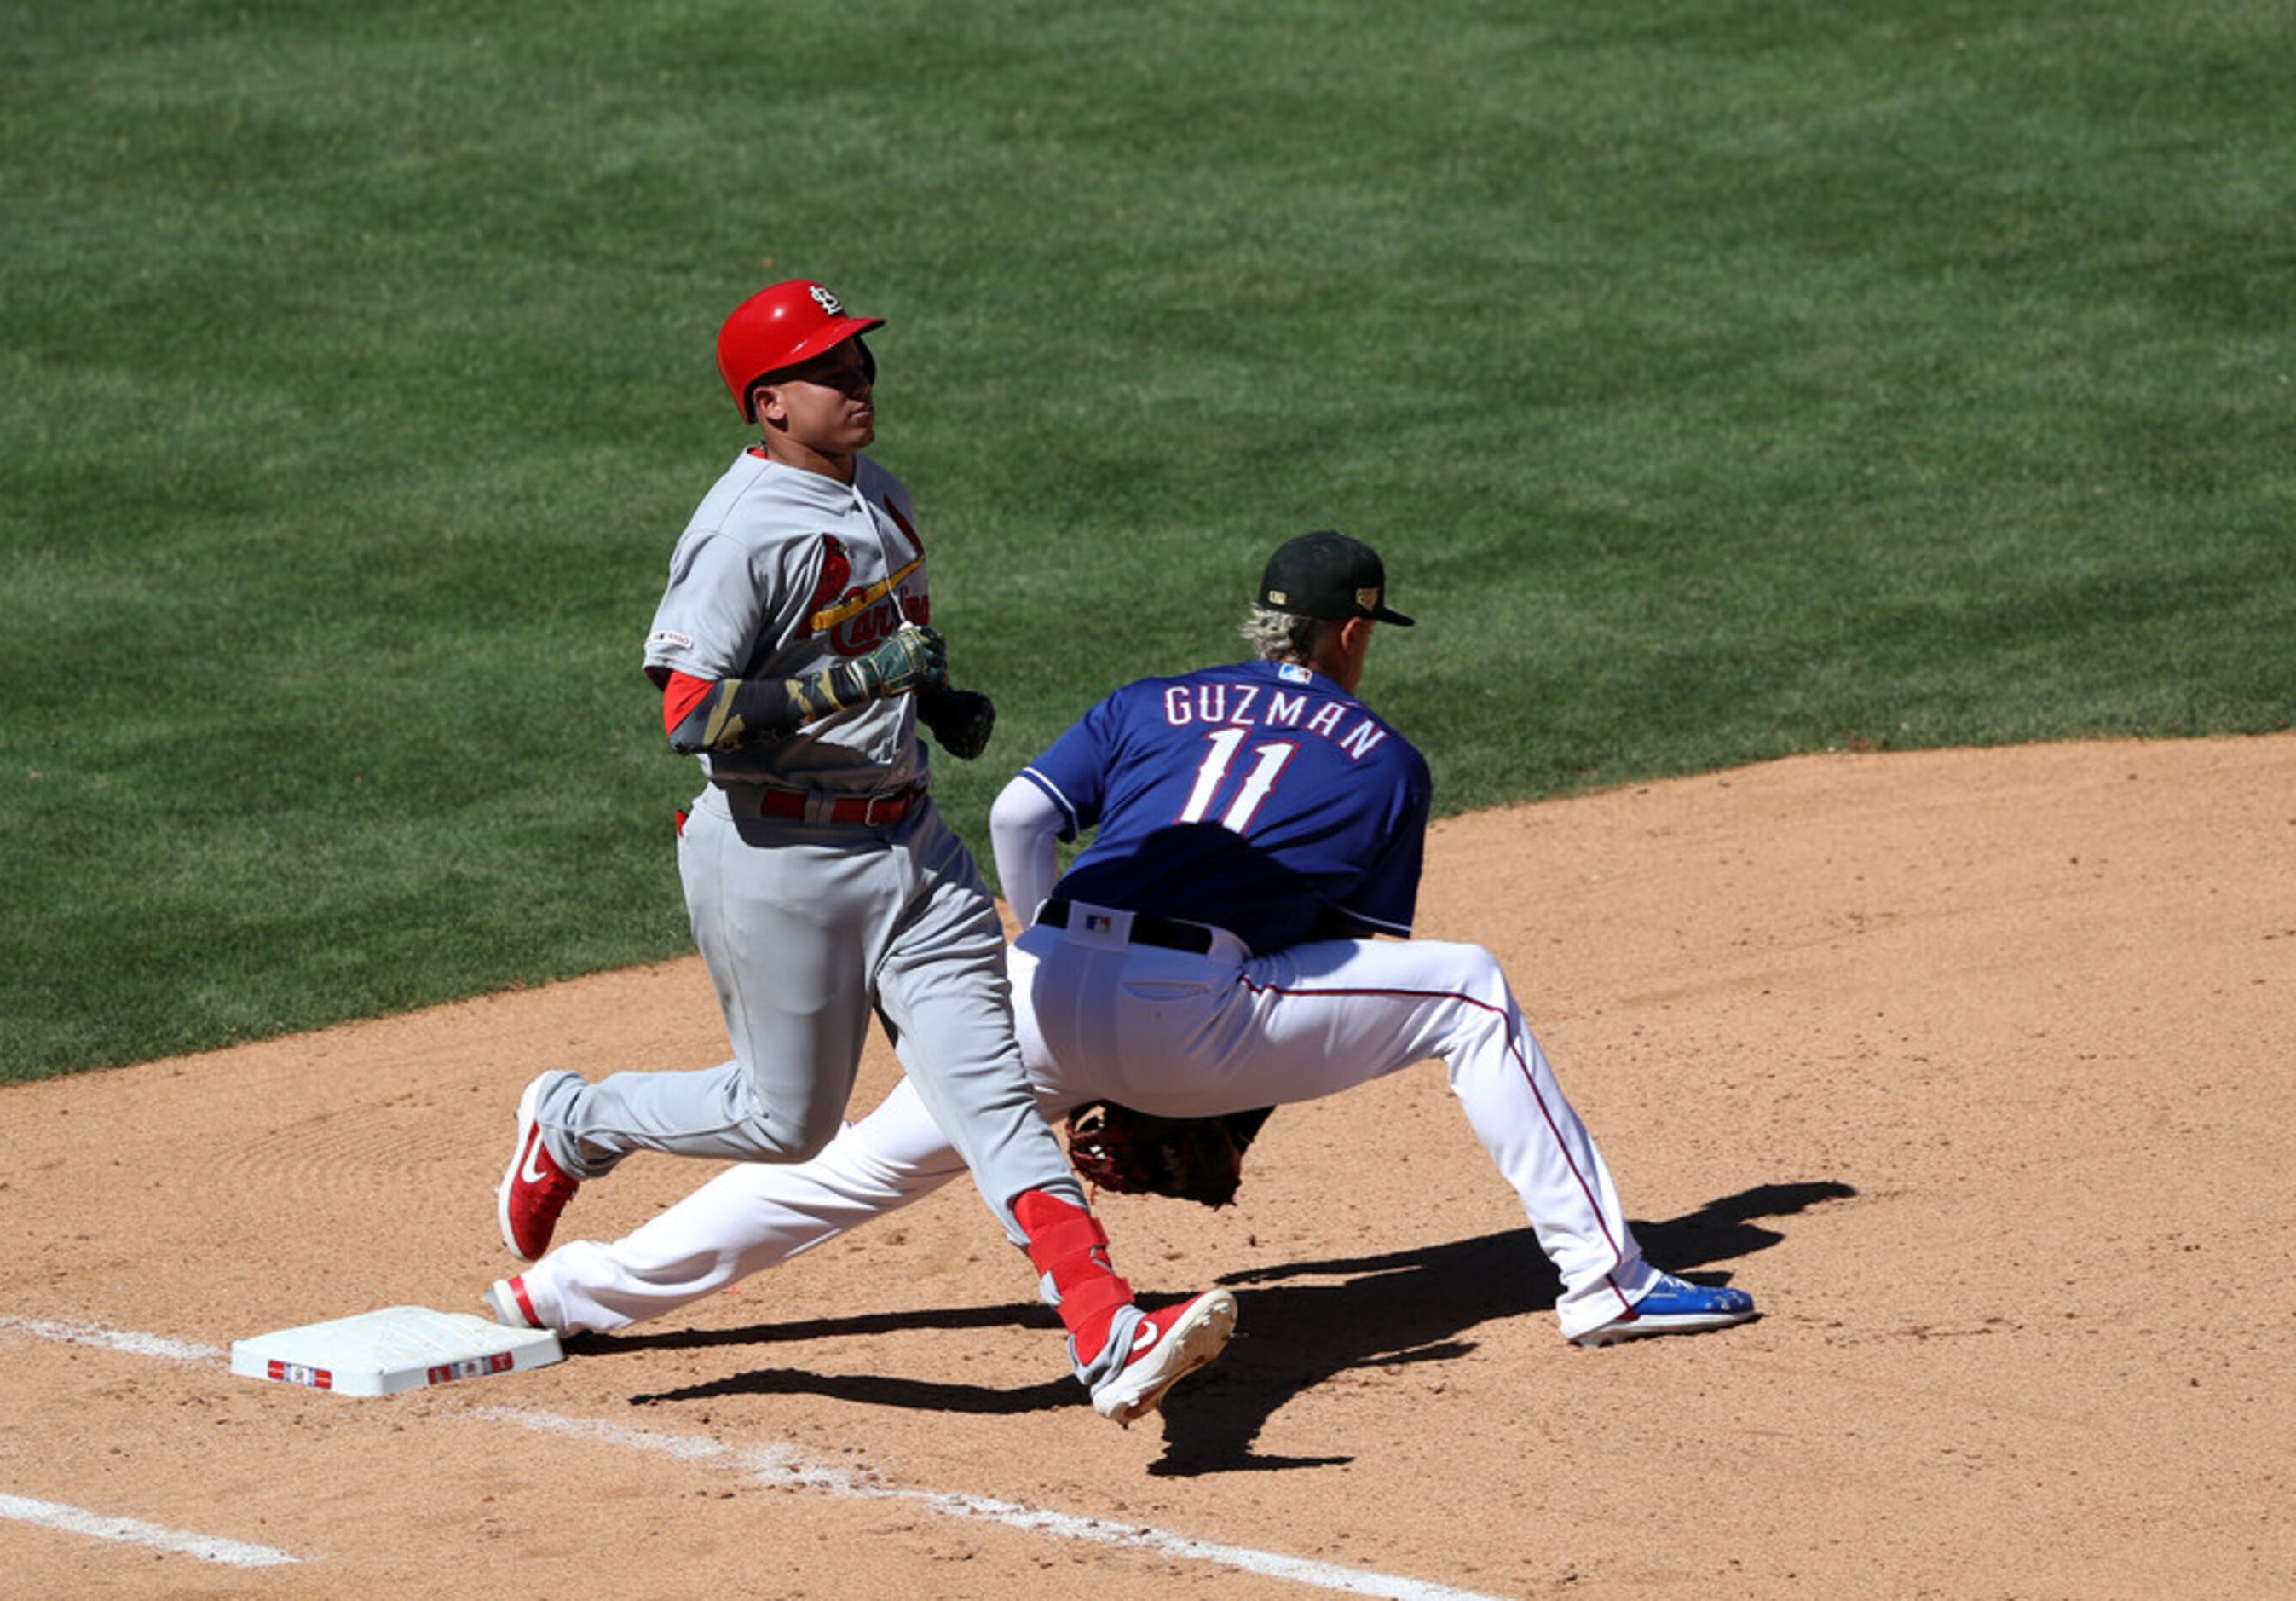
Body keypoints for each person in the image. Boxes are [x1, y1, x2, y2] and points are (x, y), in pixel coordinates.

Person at [489, 528, 1757, 1361]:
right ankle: (1608, 1278)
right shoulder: (1389, 764)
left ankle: (567, 1295)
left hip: (1033, 982)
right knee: (1469, 993)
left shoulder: (1148, 701)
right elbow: (1343, 958)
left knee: (855, 1165)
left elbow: (1020, 811)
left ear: (1263, 625)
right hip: (1193, 1017)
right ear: (1353, 634)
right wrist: (1218, 1104)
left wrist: (1045, 948)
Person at [488, 280, 1235, 1426]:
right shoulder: (739, 532)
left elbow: (887, 646)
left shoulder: (877, 494)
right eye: (831, 370)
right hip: (777, 860)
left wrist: (938, 704)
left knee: (990, 1097)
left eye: (861, 362)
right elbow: (689, 713)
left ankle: (1105, 1324)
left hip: (916, 852)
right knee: (786, 1122)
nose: (860, 383)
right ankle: (578, 1119)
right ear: (770, 402)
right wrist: (844, 685)